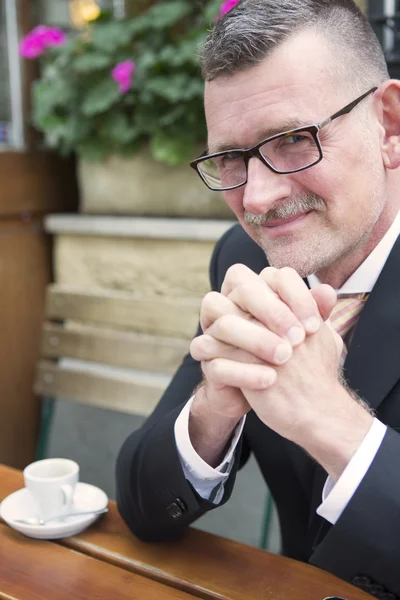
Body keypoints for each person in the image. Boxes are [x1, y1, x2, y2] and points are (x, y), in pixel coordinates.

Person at [116, 1, 400, 597]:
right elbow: (143, 504)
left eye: (293, 139)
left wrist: (331, 421)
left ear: (391, 124)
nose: (258, 198)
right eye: (230, 157)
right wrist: (214, 407)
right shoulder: (246, 258)